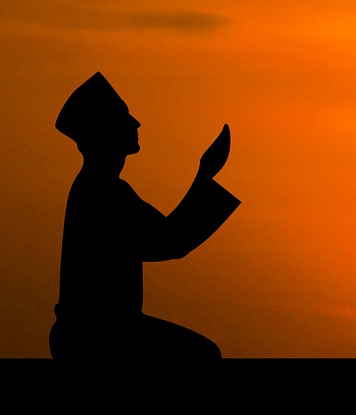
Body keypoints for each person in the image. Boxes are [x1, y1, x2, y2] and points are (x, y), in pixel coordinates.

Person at [49, 72, 241, 359]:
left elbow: (166, 237)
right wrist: (205, 176)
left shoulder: (100, 187)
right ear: (105, 130)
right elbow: (169, 241)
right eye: (124, 117)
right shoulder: (103, 192)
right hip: (97, 334)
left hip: (93, 331)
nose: (136, 123)